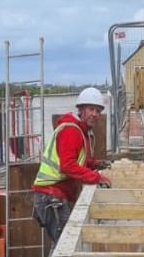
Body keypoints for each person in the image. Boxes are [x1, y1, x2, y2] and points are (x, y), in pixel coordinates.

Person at [31, 86, 111, 245]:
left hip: (53, 195)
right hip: (51, 195)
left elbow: (76, 160)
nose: (95, 114)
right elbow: (67, 166)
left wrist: (94, 164)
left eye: (98, 110)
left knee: (62, 246)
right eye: (91, 109)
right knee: (65, 247)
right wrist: (96, 177)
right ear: (81, 109)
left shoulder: (80, 130)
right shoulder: (71, 130)